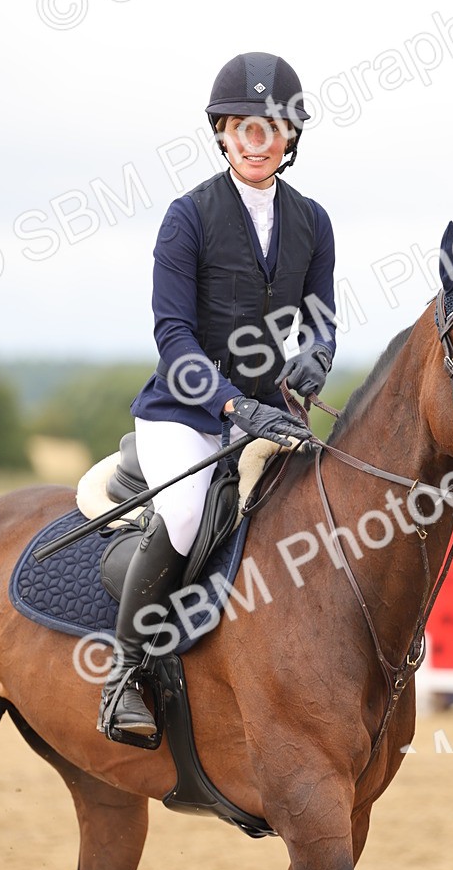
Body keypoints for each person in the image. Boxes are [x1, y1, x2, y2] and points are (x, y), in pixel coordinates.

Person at [99, 51, 337, 739]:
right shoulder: (188, 218)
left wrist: (317, 355)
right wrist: (233, 407)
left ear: (291, 136)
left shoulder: (313, 221)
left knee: (322, 508)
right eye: (242, 127)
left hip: (271, 413)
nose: (257, 141)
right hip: (187, 414)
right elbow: (173, 337)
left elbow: (320, 315)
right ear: (223, 134)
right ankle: (124, 675)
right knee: (182, 515)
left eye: (272, 128)